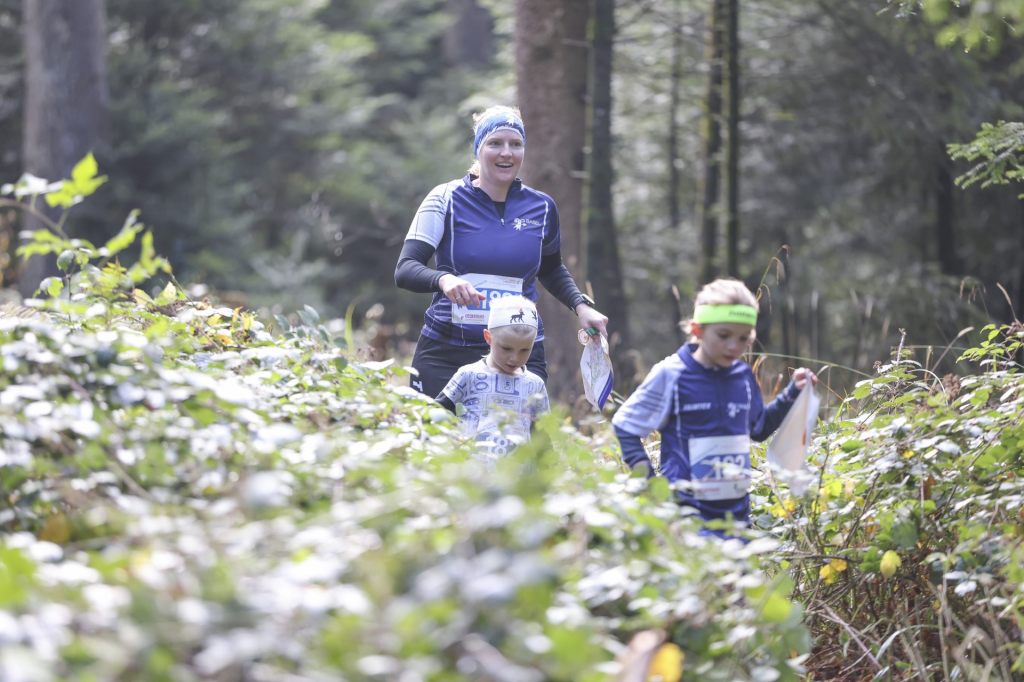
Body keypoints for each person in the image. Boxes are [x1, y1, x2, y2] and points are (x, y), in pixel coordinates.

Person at [395, 104, 608, 398]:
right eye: (495, 143)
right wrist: (444, 280)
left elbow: (551, 269)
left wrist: (581, 307)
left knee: (517, 430)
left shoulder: (542, 207)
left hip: (518, 351)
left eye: (515, 144)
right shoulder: (445, 198)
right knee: (438, 429)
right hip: (448, 351)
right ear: (478, 149)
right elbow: (405, 269)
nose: (506, 152)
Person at [612, 278, 817, 535]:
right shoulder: (671, 373)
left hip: (736, 520)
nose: (734, 346)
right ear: (697, 330)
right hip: (686, 522)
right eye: (723, 335)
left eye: (744, 338)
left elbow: (759, 428)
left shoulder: (742, 375)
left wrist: (791, 393)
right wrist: (653, 489)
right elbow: (625, 426)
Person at [437, 295, 549, 461]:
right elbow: (436, 411)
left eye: (525, 350)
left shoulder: (535, 385)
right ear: (488, 337)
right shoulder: (469, 375)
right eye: (506, 348)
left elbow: (544, 435)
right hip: (471, 471)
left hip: (518, 473)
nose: (515, 358)